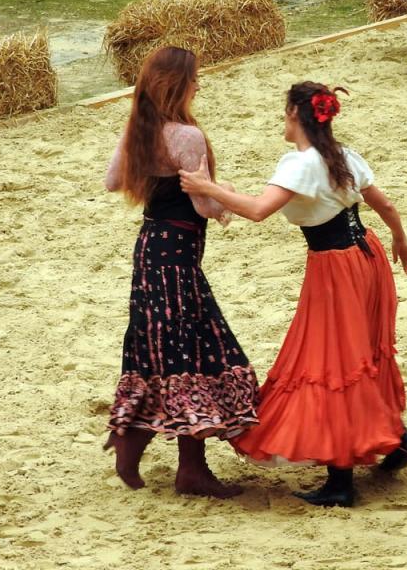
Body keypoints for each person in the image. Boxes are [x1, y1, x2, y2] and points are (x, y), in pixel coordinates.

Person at [179, 81, 407, 508]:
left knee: (333, 361)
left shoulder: (300, 163)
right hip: (367, 255)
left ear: (294, 113)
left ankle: (342, 480)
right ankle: (397, 438)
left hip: (335, 266)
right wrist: (400, 241)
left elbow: (258, 210)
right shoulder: (342, 154)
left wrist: (207, 188)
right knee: (362, 353)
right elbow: (386, 206)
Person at [102, 46, 260, 499]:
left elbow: (112, 181)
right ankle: (190, 469)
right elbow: (204, 205)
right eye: (194, 79)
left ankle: (133, 441)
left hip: (149, 248)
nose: (198, 85)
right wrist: (224, 192)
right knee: (192, 348)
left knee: (155, 347)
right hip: (178, 253)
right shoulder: (186, 136)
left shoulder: (140, 129)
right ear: (177, 85)